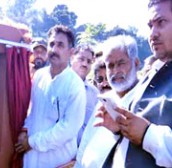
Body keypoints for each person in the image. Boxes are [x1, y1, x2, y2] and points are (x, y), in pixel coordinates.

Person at [97, 1, 172, 167]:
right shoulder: (152, 72)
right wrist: (120, 128)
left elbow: (146, 133)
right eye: (150, 25)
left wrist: (147, 134)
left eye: (161, 23)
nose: (152, 34)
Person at [14, 25, 86, 168]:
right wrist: (25, 130)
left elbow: (68, 129)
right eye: (52, 44)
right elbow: (32, 111)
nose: (54, 49)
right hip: (31, 159)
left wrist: (32, 142)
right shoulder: (39, 76)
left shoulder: (75, 85)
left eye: (60, 45)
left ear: (71, 52)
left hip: (58, 163)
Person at [74, 35, 140, 168]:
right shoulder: (104, 100)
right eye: (110, 65)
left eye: (121, 63)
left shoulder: (144, 100)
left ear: (136, 64)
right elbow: (85, 143)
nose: (115, 71)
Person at [70, 44, 99, 146]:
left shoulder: (95, 94)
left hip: (82, 154)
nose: (84, 64)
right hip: (57, 153)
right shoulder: (59, 84)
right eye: (81, 59)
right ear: (71, 57)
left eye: (89, 61)